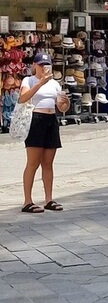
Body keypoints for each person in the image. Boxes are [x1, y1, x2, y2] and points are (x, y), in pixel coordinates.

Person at [18, 51, 70, 214]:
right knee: (33, 162)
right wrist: (40, 83)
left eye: (47, 65)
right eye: (41, 65)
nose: (44, 68)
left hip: (50, 119)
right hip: (35, 119)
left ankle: (49, 198)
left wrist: (64, 104)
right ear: (34, 66)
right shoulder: (29, 80)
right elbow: (23, 98)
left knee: (48, 162)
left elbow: (61, 107)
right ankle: (27, 200)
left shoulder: (55, 84)